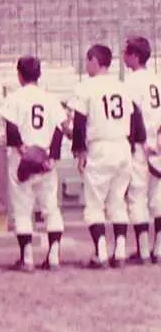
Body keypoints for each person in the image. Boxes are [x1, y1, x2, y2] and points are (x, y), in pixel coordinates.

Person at [68, 43, 145, 268]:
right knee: (117, 202)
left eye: (87, 60)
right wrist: (130, 147)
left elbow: (80, 123)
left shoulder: (86, 87)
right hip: (122, 146)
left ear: (94, 61)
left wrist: (79, 152)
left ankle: (100, 253)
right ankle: (119, 252)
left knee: (94, 203)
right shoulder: (122, 87)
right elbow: (135, 121)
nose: (86, 64)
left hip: (100, 147)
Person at [0, 55, 66, 271]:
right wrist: (53, 157)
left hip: (23, 158)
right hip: (46, 158)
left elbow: (11, 128)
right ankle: (54, 255)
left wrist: (22, 150)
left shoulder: (14, 98)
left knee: (22, 209)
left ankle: (27, 258)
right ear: (39, 74)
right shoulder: (50, 99)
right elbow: (59, 129)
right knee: (50, 208)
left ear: (19, 75)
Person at [124, 36, 161, 262]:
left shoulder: (131, 83)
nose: (125, 56)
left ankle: (144, 251)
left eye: (127, 52)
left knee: (137, 195)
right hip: (159, 141)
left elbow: (133, 116)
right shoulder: (157, 79)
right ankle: (159, 249)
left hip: (141, 143)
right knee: (159, 195)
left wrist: (137, 142)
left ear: (135, 56)